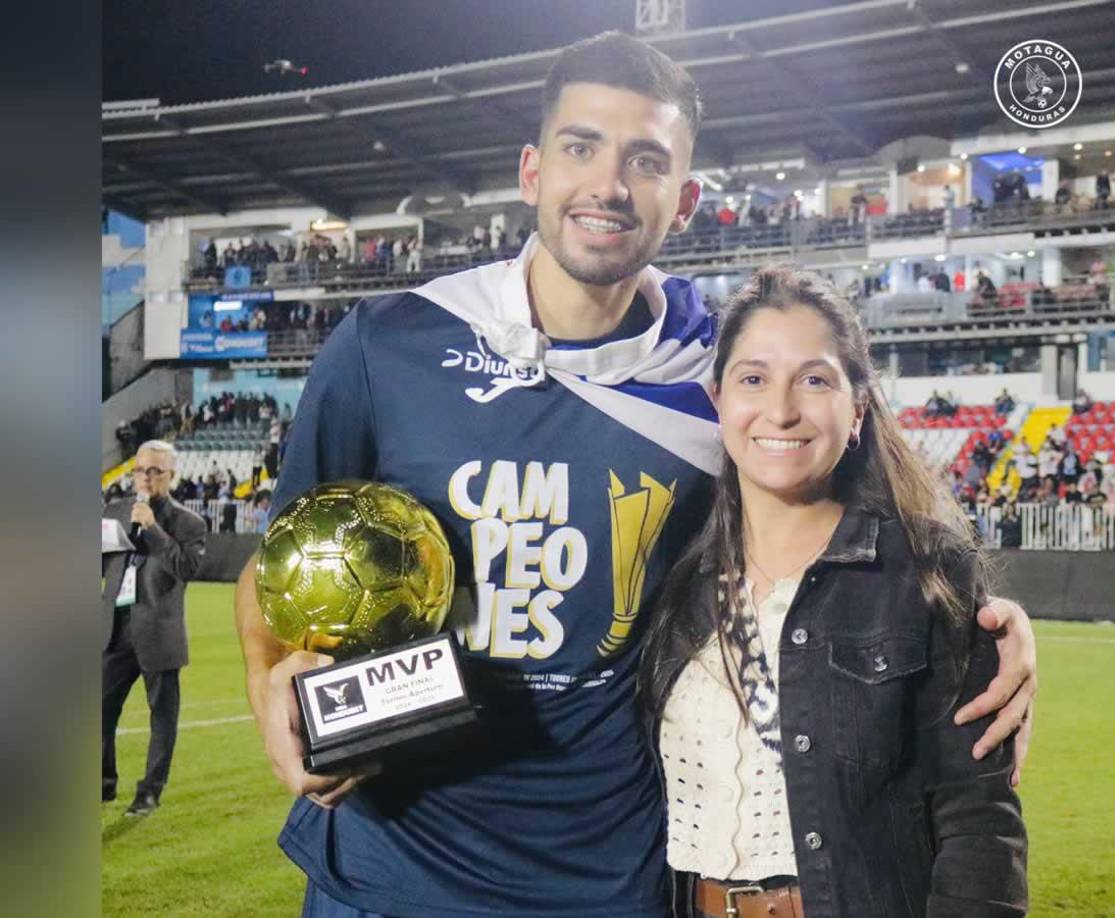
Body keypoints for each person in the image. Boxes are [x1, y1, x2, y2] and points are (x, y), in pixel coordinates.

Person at [233, 32, 1038, 918]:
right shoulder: (389, 344)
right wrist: (271, 679)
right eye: (582, 147)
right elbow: (277, 568)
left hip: (612, 880)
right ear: (532, 170)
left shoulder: (720, 371)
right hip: (391, 871)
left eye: (645, 160)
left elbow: (861, 523)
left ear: (685, 199)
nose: (609, 185)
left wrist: (987, 629)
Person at [638, 268, 1026, 917]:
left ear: (858, 410)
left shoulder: (925, 571)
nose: (782, 409)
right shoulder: (665, 572)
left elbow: (979, 822)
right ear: (718, 401)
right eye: (753, 378)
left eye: (815, 379)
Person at [102, 441, 207, 816]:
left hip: (158, 630)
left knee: (161, 717)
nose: (146, 478)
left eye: (155, 471)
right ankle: (103, 781)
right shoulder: (114, 511)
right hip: (114, 627)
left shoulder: (187, 522)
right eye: (140, 470)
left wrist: (153, 528)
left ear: (171, 476)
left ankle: (149, 791)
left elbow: (187, 569)